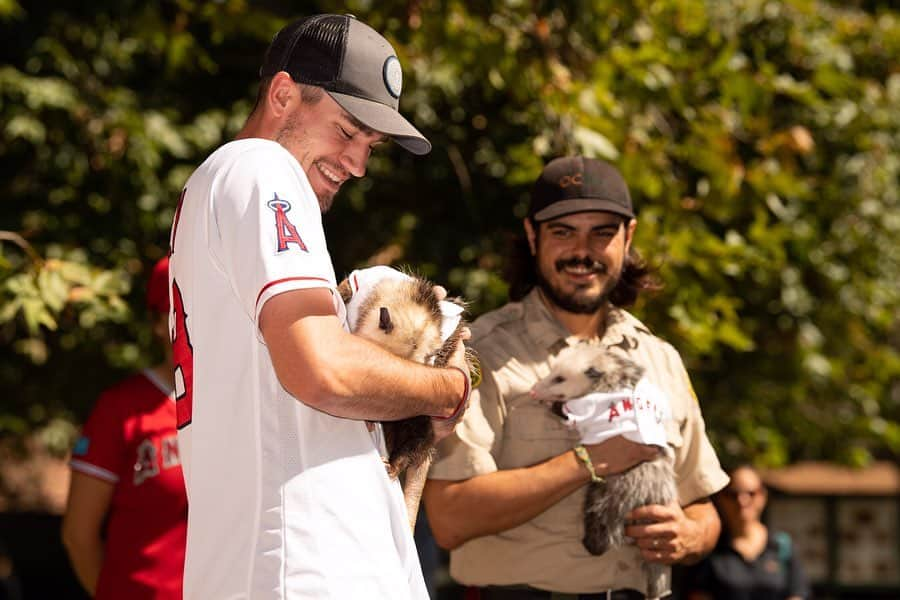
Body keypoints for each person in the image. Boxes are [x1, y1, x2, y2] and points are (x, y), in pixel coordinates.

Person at [167, 13, 470, 600]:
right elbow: (322, 369)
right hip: (305, 569)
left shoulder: (223, 188)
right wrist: (451, 388)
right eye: (347, 131)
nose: (357, 163)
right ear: (283, 94)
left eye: (370, 146)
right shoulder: (260, 167)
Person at [423, 156, 730, 599]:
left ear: (629, 237)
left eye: (602, 232)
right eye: (563, 232)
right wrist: (590, 460)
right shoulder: (478, 354)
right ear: (533, 236)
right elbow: (450, 519)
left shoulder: (661, 359)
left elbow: (705, 507)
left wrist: (688, 534)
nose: (582, 252)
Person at [61, 256, 186, 599]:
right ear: (157, 324)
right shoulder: (120, 409)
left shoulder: (238, 404)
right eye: (178, 309)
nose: (193, 319)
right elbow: (78, 535)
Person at [683, 465, 810, 600]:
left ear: (763, 496)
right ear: (721, 498)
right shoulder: (709, 549)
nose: (742, 501)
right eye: (733, 495)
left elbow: (798, 593)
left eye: (751, 493)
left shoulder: (782, 546)